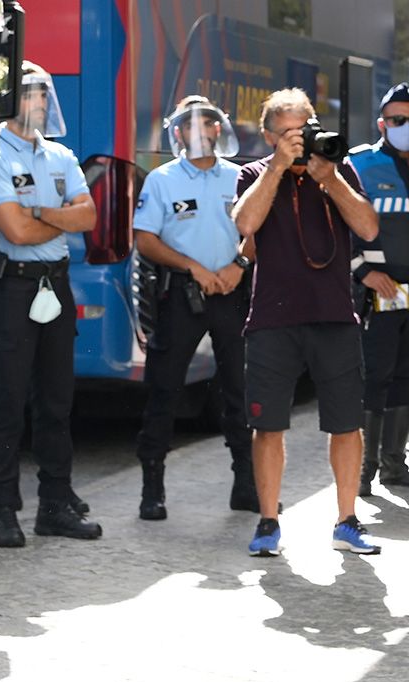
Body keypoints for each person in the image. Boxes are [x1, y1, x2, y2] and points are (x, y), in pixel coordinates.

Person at [232, 88, 381, 557]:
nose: (301, 141)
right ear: (269, 136)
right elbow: (245, 224)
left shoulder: (338, 167)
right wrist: (278, 167)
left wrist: (331, 179)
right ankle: (269, 521)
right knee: (268, 425)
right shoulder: (254, 174)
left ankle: (347, 519)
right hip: (272, 319)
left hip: (334, 314)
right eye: (290, 134)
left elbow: (369, 228)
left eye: (306, 129)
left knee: (346, 423)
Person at [0, 61, 102, 547]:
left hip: (55, 284)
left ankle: (55, 505)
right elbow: (16, 232)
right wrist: (60, 217)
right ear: (7, 101)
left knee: (57, 401)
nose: (41, 103)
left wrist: (43, 211)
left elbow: (88, 217)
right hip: (13, 289)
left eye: (45, 94)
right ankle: (2, 508)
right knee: (6, 403)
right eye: (31, 95)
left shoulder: (62, 155)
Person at [133, 96, 260, 521]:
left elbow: (257, 229)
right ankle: (153, 489)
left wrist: (238, 265)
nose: (199, 132)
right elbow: (146, 239)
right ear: (177, 133)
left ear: (218, 129)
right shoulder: (162, 179)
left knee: (239, 392)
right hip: (182, 295)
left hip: (231, 289)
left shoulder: (239, 177)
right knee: (164, 389)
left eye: (207, 123)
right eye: (189, 125)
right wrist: (194, 268)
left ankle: (246, 485)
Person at [347, 83, 409, 495]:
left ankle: (394, 464)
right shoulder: (359, 165)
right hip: (383, 288)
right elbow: (339, 225)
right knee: (376, 374)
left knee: (408, 373)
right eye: (397, 120)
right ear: (381, 123)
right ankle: (364, 471)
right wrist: (361, 272)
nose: (405, 127)